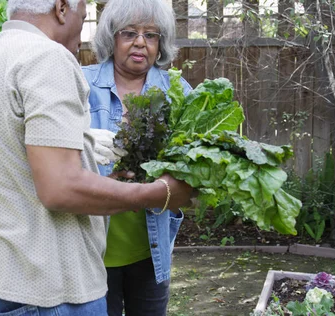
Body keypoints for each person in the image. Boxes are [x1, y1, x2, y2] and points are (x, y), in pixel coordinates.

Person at [0, 0, 194, 315]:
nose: (80, 34)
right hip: (54, 289)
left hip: (7, 282)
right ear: (61, 7)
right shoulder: (47, 57)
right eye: (83, 16)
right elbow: (60, 188)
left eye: (150, 35)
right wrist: (159, 193)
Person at [81, 0, 194, 315]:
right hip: (91, 250)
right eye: (129, 33)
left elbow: (193, 164)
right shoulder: (80, 83)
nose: (140, 42)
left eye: (151, 35)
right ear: (112, 39)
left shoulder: (178, 92)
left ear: (161, 44)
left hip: (150, 250)